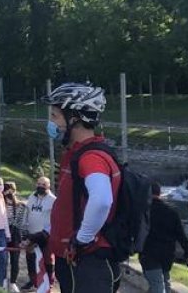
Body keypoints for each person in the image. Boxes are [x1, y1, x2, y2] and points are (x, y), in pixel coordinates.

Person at [44, 82, 120, 293]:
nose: (50, 122)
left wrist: (81, 240)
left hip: (88, 265)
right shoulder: (76, 154)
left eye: (54, 116)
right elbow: (71, 206)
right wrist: (46, 234)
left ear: (74, 119)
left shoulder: (91, 158)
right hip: (77, 262)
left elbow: (102, 200)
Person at [140, 182, 188, 293]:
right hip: (167, 255)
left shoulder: (144, 212)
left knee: (157, 286)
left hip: (148, 254)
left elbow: (135, 231)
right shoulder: (172, 212)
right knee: (164, 283)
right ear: (160, 193)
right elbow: (182, 236)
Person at [23, 176, 56, 287]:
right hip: (31, 233)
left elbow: (55, 219)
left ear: (48, 186)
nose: (41, 186)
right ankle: (33, 281)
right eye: (39, 184)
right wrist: (25, 229)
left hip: (45, 235)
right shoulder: (32, 196)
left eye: (44, 184)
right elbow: (27, 212)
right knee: (31, 259)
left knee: (47, 259)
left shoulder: (53, 200)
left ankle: (49, 282)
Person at [4, 181, 27, 291]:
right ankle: (3, 280)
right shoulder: (0, 204)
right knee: (3, 258)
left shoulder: (21, 205)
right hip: (4, 232)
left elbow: (20, 223)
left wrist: (23, 238)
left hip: (15, 234)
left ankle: (13, 282)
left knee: (15, 259)